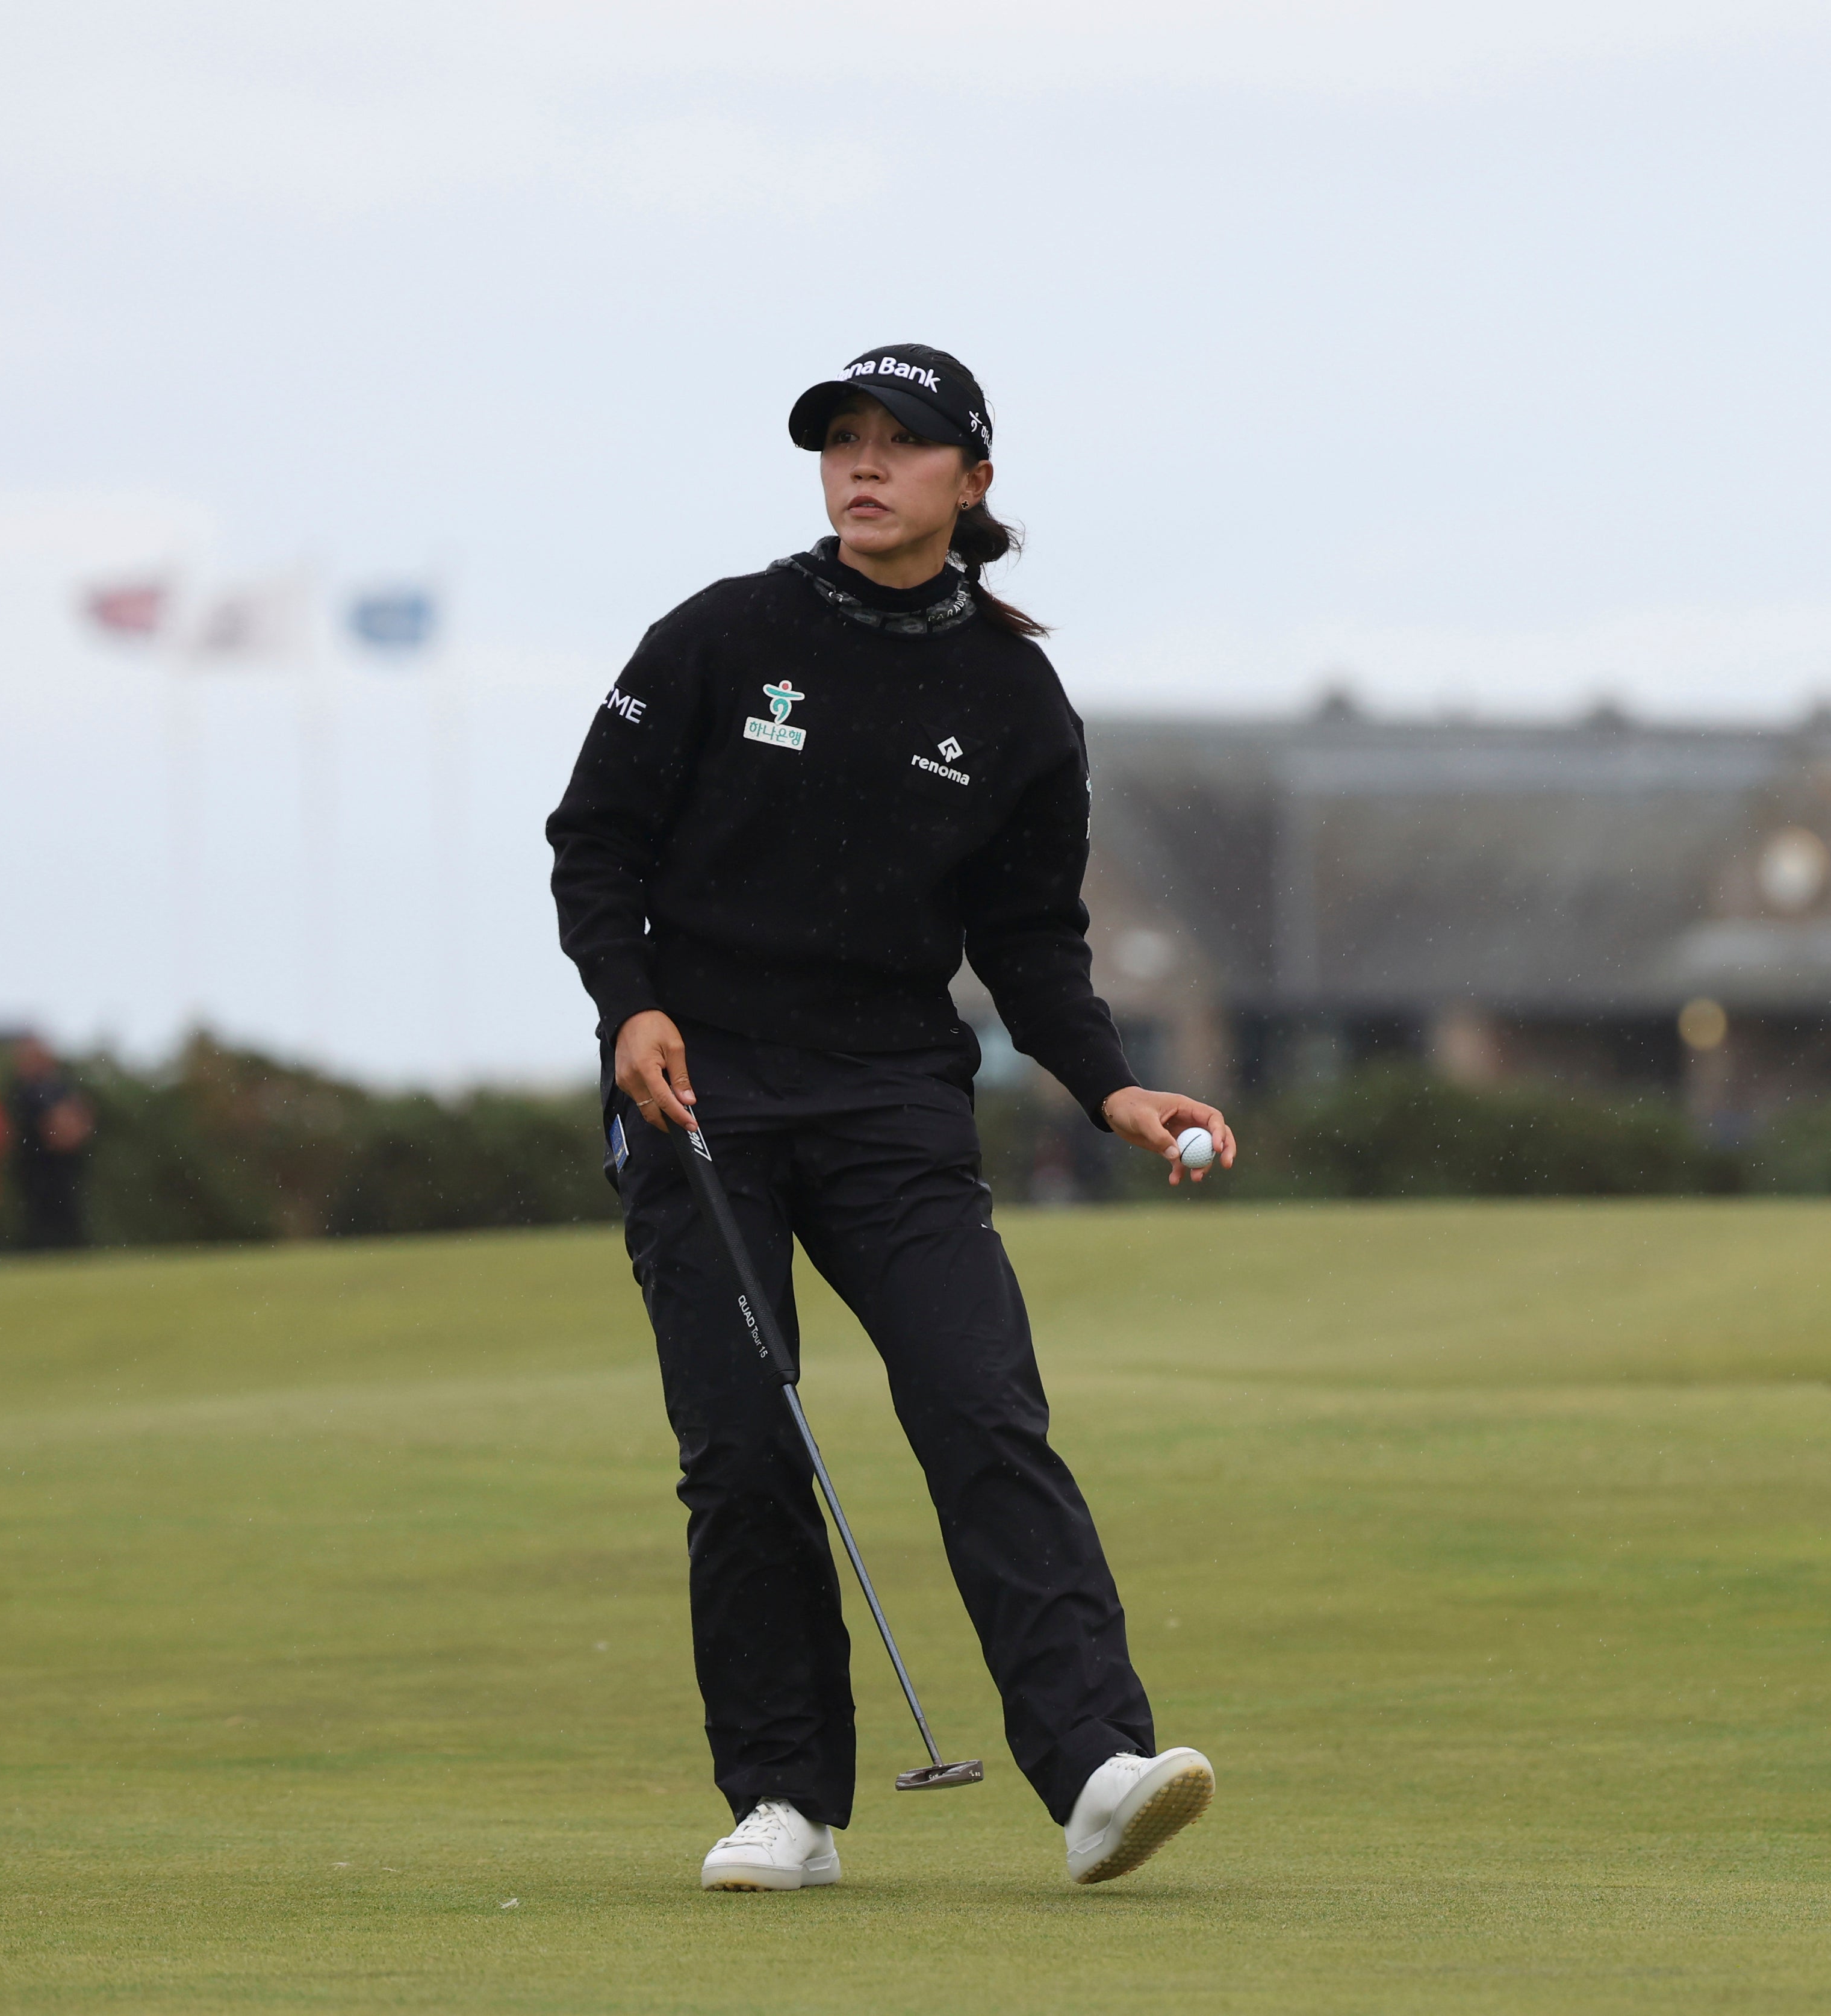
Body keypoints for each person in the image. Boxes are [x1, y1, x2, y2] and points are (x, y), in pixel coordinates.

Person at [547, 343, 1236, 1896]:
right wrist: (630, 1005)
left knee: (980, 1405)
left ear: (971, 483)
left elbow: (1031, 941)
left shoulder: (1009, 697)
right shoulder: (723, 636)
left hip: (889, 1102)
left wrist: (1108, 1083)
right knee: (742, 1445)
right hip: (700, 1095)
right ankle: (786, 1802)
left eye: (901, 446)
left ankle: (1097, 1770)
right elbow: (592, 844)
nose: (863, 467)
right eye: (842, 443)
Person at [4, 1034, 95, 1250]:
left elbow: (80, 1120)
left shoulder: (61, 1086)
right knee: (38, 1222)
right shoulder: (19, 1091)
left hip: (63, 1169)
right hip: (35, 1170)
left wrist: (70, 1131)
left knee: (67, 1217)